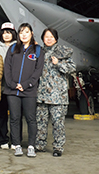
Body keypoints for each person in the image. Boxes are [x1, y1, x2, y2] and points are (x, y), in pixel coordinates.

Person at [4, 23, 44, 157]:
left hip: (29, 91)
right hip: (12, 90)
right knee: (14, 118)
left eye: (26, 32)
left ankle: (31, 146)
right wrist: (12, 84)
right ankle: (17, 145)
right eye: (21, 32)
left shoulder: (38, 50)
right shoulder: (13, 48)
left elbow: (38, 71)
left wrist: (26, 84)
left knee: (31, 118)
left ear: (31, 33)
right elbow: (7, 68)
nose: (24, 35)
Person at [36, 28, 76, 157]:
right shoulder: (39, 52)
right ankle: (40, 145)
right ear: (42, 38)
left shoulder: (62, 52)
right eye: (46, 36)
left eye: (51, 36)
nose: (48, 39)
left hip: (57, 96)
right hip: (41, 94)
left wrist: (58, 63)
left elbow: (71, 68)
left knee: (58, 123)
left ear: (56, 39)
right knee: (41, 122)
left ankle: (58, 147)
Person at [0, 22, 20, 150]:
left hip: (14, 86)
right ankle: (3, 139)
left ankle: (17, 140)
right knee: (2, 114)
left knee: (16, 115)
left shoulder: (19, 47)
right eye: (4, 32)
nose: (6, 35)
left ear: (13, 34)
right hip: (1, 87)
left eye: (9, 32)